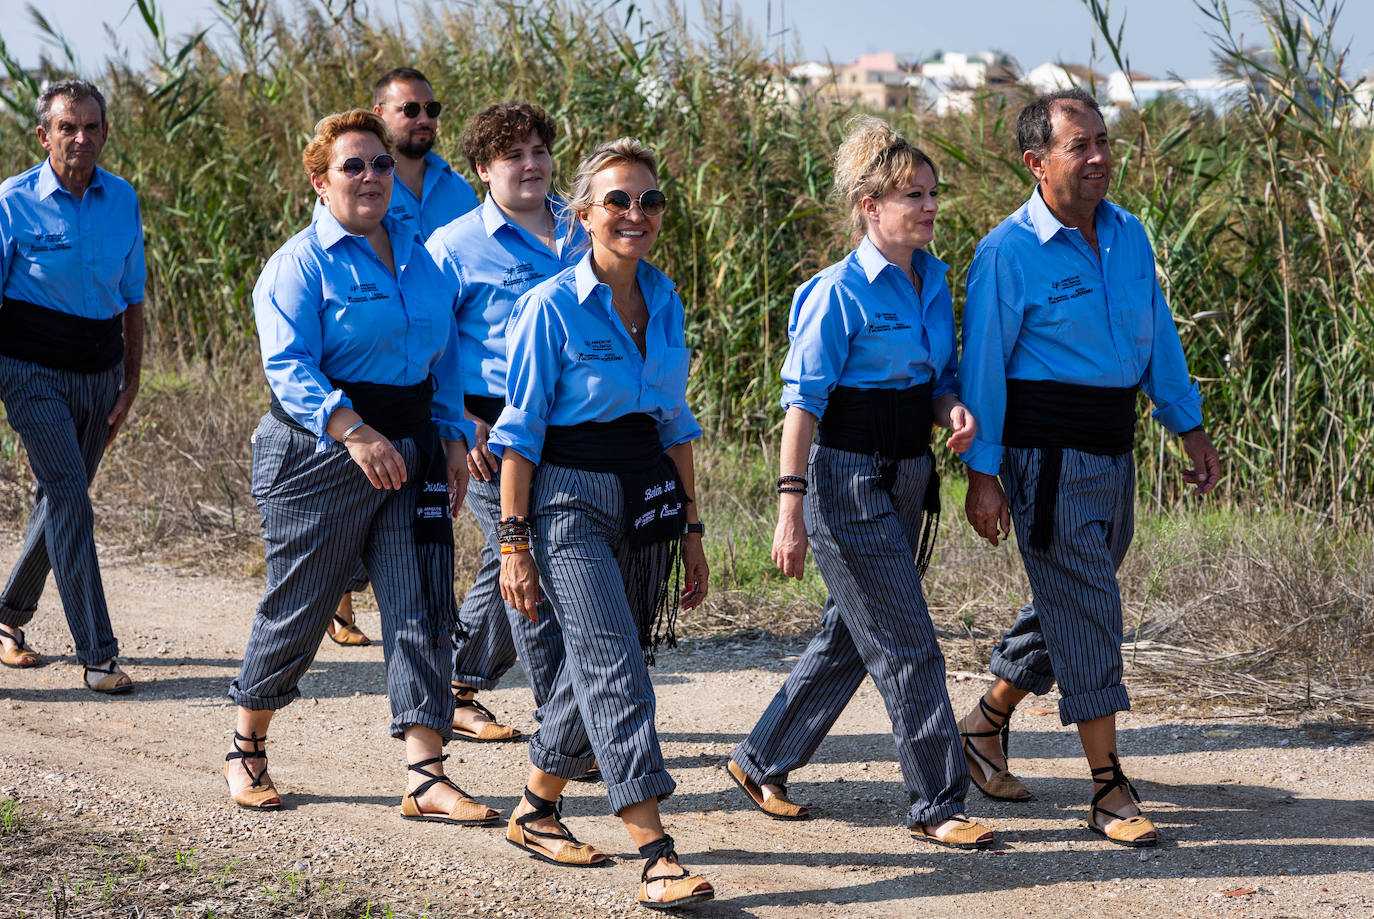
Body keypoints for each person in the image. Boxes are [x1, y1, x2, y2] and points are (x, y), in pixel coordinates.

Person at [957, 88, 1220, 847]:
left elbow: (1156, 334)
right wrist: (983, 472)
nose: (1101, 156)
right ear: (1038, 163)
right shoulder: (1006, 252)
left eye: (1105, 140)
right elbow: (984, 371)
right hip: (1044, 456)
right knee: (1091, 609)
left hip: (1115, 448)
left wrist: (1187, 423)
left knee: (1076, 596)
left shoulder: (1129, 234)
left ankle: (985, 721)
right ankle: (1108, 785)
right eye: (1083, 146)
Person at [224, 110, 497, 828]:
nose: (372, 177)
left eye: (380, 163)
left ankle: (427, 773)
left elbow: (445, 355)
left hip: (411, 449)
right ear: (320, 180)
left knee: (422, 605)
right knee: (303, 607)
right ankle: (246, 742)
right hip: (319, 458)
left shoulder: (420, 253)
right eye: (354, 166)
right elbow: (288, 366)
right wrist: (352, 431)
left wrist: (445, 435)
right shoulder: (300, 263)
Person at [727, 116, 993, 851]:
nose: (931, 205)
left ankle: (760, 759)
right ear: (870, 205)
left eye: (934, 192)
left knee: (852, 632)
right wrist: (790, 509)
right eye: (913, 194)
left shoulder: (933, 279)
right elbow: (802, 404)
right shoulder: (834, 293)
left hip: (910, 473)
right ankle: (938, 801)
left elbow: (935, 380)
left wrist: (952, 410)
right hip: (844, 481)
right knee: (909, 642)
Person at [489, 138, 714, 909]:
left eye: (649, 200)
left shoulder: (668, 297)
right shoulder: (547, 307)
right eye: (616, 200)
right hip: (569, 500)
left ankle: (536, 805)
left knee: (602, 663)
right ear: (583, 213)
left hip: (646, 491)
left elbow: (675, 419)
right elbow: (517, 436)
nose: (635, 213)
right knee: (617, 664)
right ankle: (655, 850)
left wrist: (692, 528)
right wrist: (513, 543)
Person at [426, 102, 585, 743]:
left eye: (539, 152)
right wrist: (460, 421)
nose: (531, 165)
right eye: (512, 156)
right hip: (490, 428)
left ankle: (456, 680)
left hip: (573, 424)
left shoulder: (583, 227)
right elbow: (427, 344)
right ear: (483, 170)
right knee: (529, 559)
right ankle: (560, 723)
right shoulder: (454, 246)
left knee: (506, 557)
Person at [327, 66, 480, 647]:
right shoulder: (359, 181)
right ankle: (337, 598)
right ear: (380, 116)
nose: (423, 119)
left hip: (432, 357)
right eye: (408, 109)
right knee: (354, 513)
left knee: (409, 524)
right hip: (366, 370)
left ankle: (413, 635)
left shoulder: (457, 189)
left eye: (431, 108)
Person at [0, 80, 143, 693]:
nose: (80, 137)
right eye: (68, 127)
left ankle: (6, 617)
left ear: (105, 133)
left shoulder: (123, 199)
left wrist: (131, 380)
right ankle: (98, 653)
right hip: (30, 371)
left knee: (61, 499)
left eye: (91, 127)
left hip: (100, 372)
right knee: (69, 498)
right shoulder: (13, 201)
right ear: (44, 136)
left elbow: (133, 297)